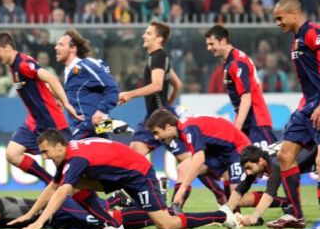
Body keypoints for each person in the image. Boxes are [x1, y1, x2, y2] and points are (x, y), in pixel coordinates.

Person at [8, 128, 241, 229]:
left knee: (166, 224)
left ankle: (222, 215)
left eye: (46, 152)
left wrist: (40, 222)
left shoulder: (75, 158)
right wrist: (31, 215)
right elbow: (53, 186)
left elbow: (60, 192)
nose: (44, 157)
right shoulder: (69, 154)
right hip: (120, 175)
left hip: (138, 174)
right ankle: (112, 224)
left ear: (59, 146)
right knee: (75, 184)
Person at [0, 32, 82, 186]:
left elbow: (50, 78)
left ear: (7, 48)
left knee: (71, 168)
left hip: (51, 121)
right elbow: (42, 84)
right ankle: (50, 183)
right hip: (34, 120)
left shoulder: (23, 65)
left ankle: (107, 197)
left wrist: (65, 103)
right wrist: (55, 96)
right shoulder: (13, 66)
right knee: (12, 153)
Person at [270, 0, 320, 229]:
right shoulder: (296, 40)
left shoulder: (313, 32)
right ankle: (296, 215)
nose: (277, 23)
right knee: (284, 155)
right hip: (308, 107)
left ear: (293, 14)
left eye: (280, 18)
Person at [146, 109, 251, 208]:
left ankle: (266, 200)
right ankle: (174, 212)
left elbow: (199, 159)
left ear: (168, 127)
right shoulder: (183, 128)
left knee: (238, 200)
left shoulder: (188, 128)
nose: (156, 137)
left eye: (156, 132)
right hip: (221, 152)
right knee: (183, 168)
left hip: (238, 148)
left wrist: (183, 188)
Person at [204, 25, 276, 149]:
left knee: (268, 163)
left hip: (256, 122)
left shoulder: (237, 62)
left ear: (223, 41)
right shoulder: (230, 61)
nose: (209, 48)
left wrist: (237, 128)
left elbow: (246, 97)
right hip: (248, 123)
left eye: (211, 44)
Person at [118, 21, 183, 157]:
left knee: (185, 160)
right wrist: (167, 107)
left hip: (159, 117)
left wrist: (130, 94)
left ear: (159, 39)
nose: (144, 36)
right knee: (135, 150)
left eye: (148, 33)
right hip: (156, 115)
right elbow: (178, 84)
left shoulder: (158, 57)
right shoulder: (158, 57)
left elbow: (157, 85)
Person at [0, 187, 131, 229]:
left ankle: (141, 209)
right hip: (57, 221)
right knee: (96, 224)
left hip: (60, 208)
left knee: (102, 219)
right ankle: (118, 199)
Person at [227, 144, 316, 227]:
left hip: (314, 152)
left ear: (261, 161)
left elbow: (270, 192)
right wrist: (226, 213)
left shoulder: (276, 162)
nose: (248, 172)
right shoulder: (259, 159)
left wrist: (253, 217)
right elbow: (241, 188)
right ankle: (292, 210)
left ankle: (295, 212)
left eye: (249, 168)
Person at [54, 29, 119, 139]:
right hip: (86, 126)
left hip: (88, 125)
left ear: (73, 48)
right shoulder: (68, 71)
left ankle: (115, 125)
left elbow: (112, 87)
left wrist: (101, 110)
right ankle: (112, 126)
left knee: (69, 152)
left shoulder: (86, 65)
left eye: (61, 44)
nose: (56, 47)